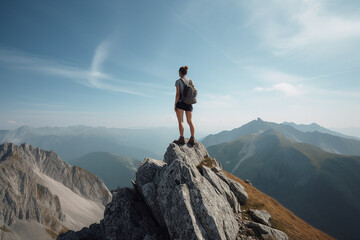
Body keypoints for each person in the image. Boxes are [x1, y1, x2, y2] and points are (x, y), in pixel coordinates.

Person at [173, 65, 196, 145]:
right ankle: (192, 138)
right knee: (190, 121)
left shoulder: (178, 81)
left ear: (180, 72)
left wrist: (175, 104)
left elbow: (178, 94)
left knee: (180, 121)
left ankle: (181, 138)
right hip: (189, 103)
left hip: (180, 103)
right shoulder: (191, 81)